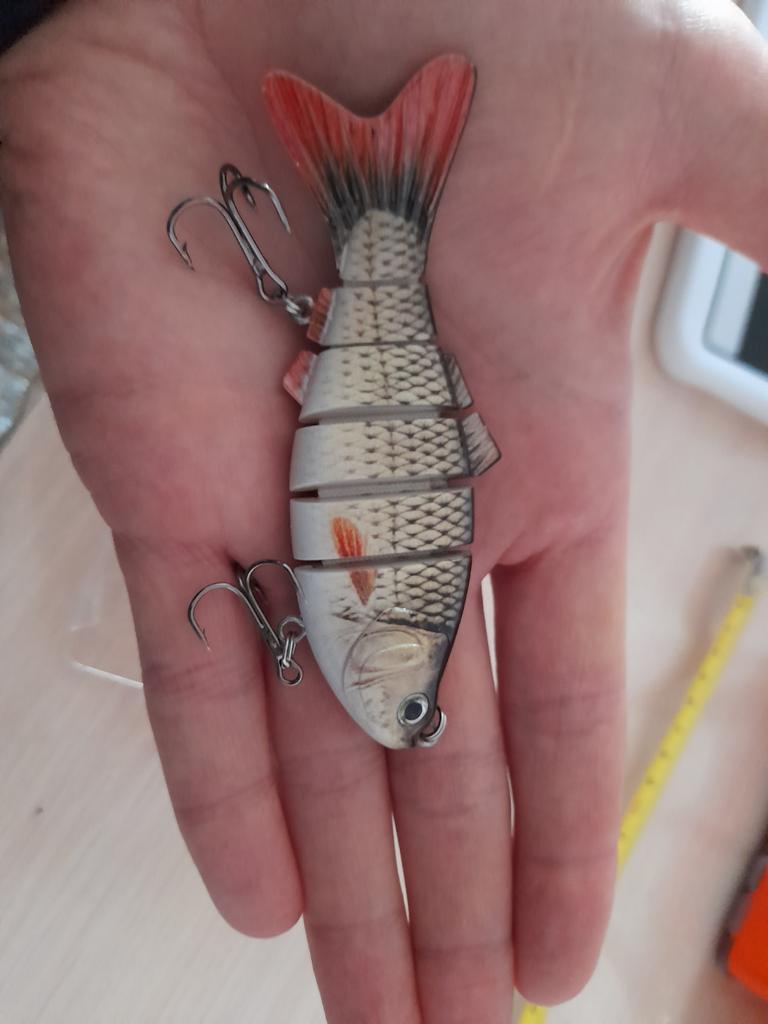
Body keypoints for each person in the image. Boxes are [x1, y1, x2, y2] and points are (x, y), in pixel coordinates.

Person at [1, 2, 766, 1020]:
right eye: (416, 708)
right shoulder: (379, 615)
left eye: (414, 710)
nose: (408, 714)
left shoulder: (374, 620)